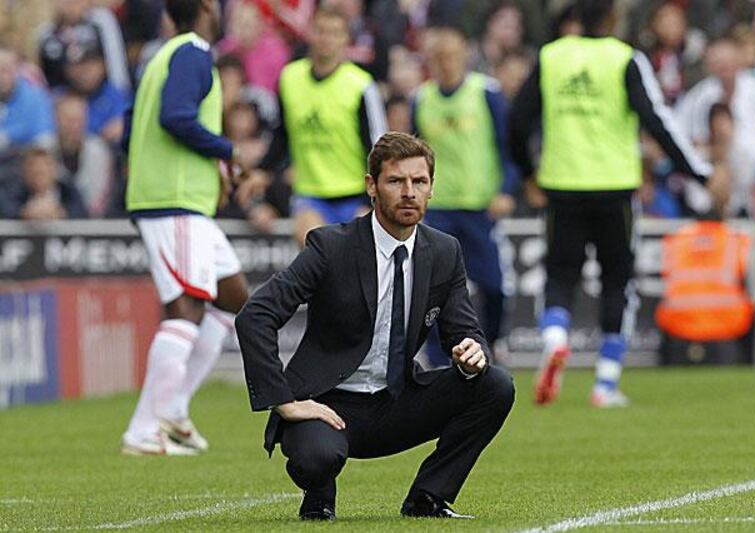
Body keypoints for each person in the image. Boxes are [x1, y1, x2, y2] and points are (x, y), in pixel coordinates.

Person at [235, 132, 515, 521]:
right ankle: (318, 494)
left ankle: (427, 498)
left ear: (432, 188)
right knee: (317, 457)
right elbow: (256, 315)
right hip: (327, 406)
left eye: (419, 182)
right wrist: (285, 402)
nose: (409, 192)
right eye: (395, 181)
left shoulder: (445, 251)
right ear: (371, 186)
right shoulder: (330, 246)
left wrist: (472, 355)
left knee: (495, 385)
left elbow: (465, 331)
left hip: (398, 400)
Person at [509, 0, 712, 407]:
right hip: (614, 187)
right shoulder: (625, 59)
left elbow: (517, 120)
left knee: (561, 274)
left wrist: (529, 172)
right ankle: (605, 383)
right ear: (612, 19)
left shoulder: (552, 56)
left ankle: (555, 339)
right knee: (617, 280)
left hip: (561, 184)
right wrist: (699, 171)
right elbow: (656, 118)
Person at [121, 0, 262, 456]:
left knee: (233, 298)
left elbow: (135, 129)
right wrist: (227, 150)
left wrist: (215, 166)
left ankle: (176, 412)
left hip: (183, 201)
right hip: (174, 203)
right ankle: (145, 429)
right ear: (205, 8)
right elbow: (176, 117)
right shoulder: (194, 52)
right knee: (184, 311)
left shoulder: (163, 55)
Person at [412, 27, 519, 363]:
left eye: (452, 56)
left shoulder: (485, 93)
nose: (445, 63)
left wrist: (505, 190)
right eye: (439, 57)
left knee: (493, 286)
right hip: (438, 208)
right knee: (432, 289)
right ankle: (437, 360)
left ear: (464, 57)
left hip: (479, 207)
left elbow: (508, 148)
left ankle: (489, 344)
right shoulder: (422, 99)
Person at [259, 5, 387, 245]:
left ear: (345, 39)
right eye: (320, 31)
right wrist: (262, 171)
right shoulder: (290, 78)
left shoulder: (361, 85)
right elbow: (281, 135)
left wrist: (371, 199)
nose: (326, 38)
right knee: (314, 246)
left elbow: (378, 147)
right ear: (309, 34)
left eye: (334, 32)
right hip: (310, 194)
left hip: (355, 193)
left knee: (354, 259)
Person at [676, 37, 755, 219]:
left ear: (738, 61)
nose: (724, 67)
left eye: (728, 61)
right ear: (709, 65)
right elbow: (683, 133)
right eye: (718, 62)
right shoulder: (701, 95)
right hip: (720, 169)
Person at [0, 147, 87, 220]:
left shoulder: (68, 189)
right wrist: (25, 212)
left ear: (54, 171)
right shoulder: (16, 191)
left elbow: (82, 211)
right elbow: (6, 209)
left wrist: (61, 212)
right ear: (24, 173)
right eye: (33, 170)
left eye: (43, 171)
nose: (38, 172)